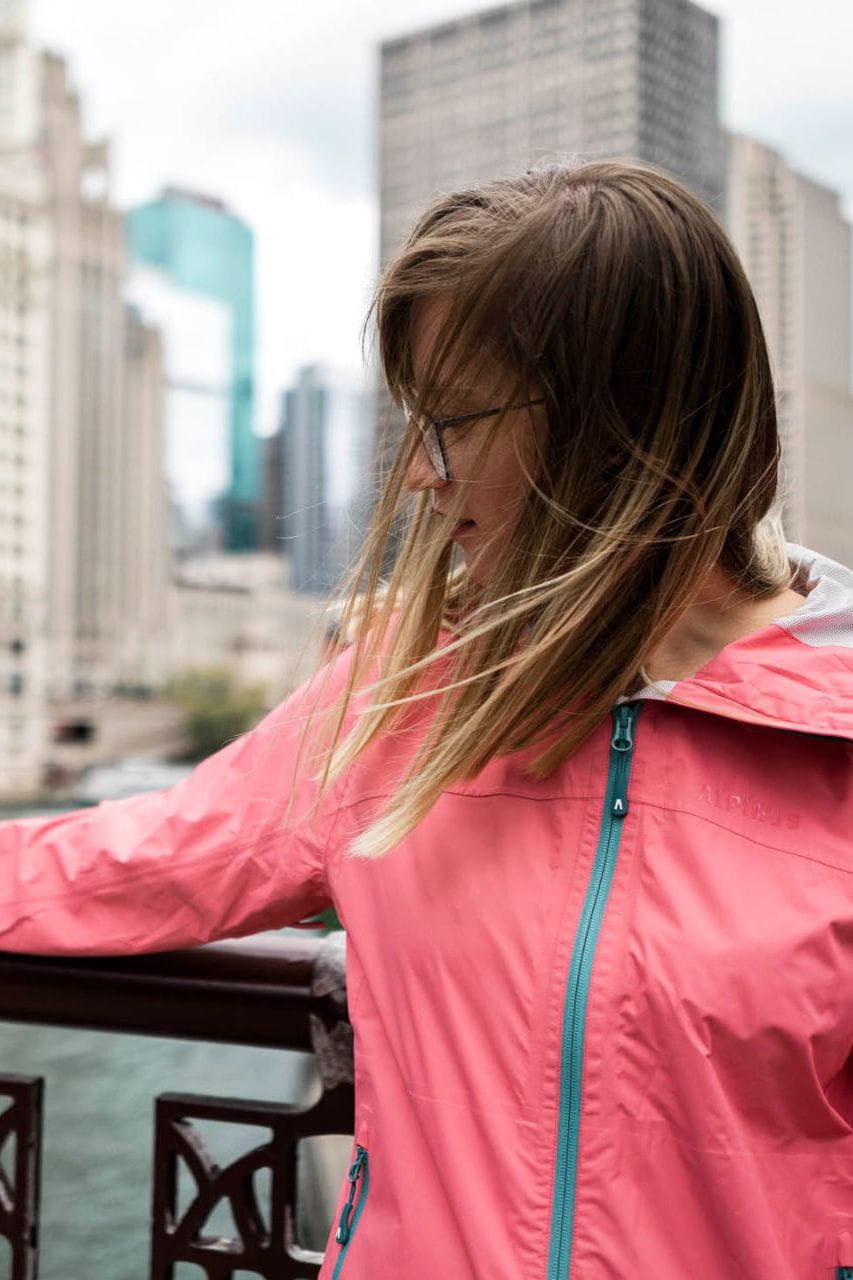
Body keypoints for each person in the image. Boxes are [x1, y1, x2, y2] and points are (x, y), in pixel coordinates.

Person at [1, 159, 852, 1278]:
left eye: (448, 424)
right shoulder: (405, 691)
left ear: (612, 425)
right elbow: (140, 861)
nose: (419, 477)